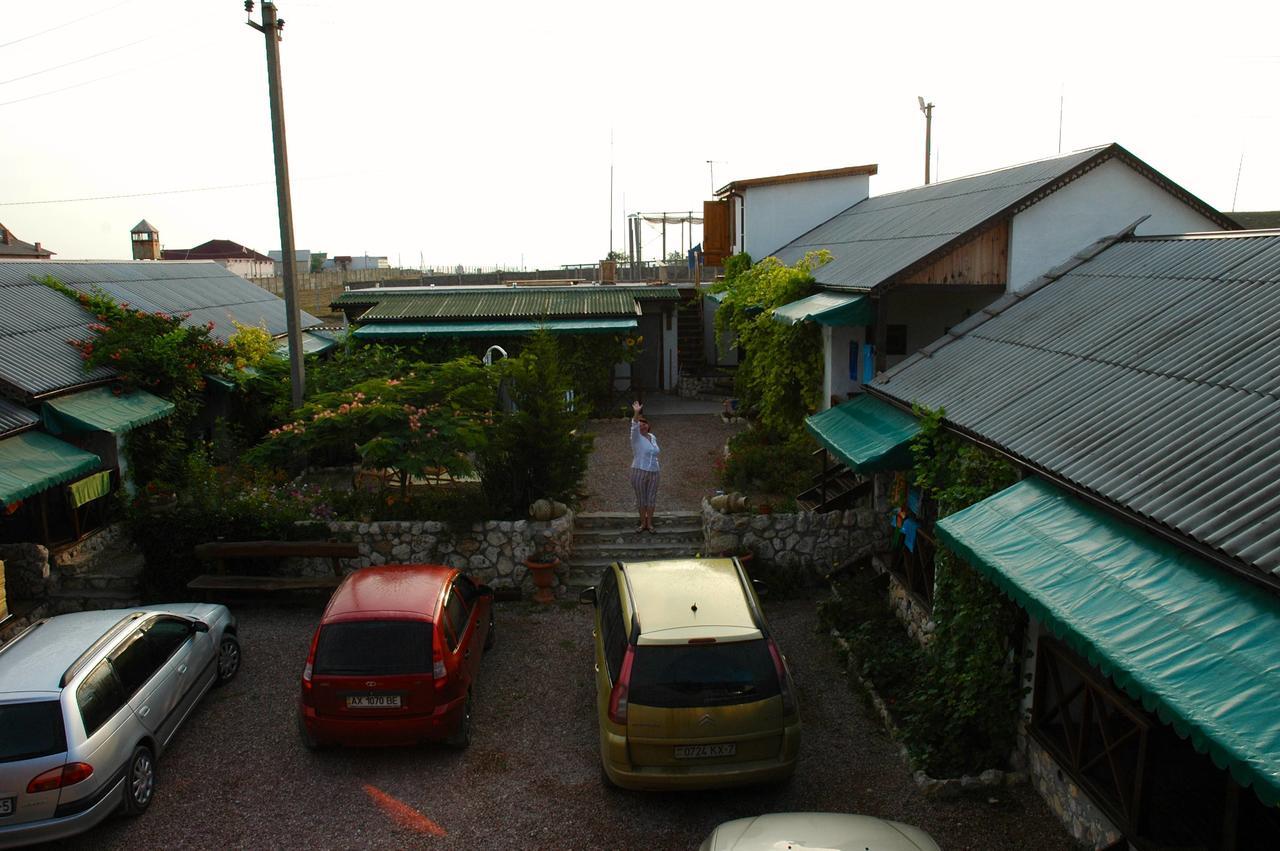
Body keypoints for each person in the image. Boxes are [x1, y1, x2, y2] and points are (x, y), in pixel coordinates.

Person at [629, 400, 660, 533]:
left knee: (651, 498)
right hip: (639, 471)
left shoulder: (652, 437)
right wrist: (637, 412)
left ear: (648, 425)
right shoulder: (636, 438)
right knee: (642, 498)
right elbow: (634, 425)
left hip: (654, 472)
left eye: (644, 424)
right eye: (640, 425)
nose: (642, 426)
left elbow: (655, 453)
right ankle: (642, 524)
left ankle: (650, 524)